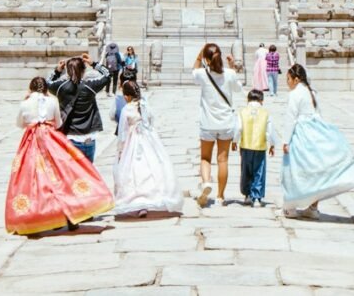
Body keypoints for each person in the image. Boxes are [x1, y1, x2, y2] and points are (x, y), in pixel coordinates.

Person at [4, 76, 114, 235]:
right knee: (62, 177)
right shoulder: (52, 102)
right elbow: (59, 123)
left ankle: (36, 219)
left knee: (33, 180)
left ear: (31, 88)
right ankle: (71, 217)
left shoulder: (24, 104)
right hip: (52, 142)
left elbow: (20, 124)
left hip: (31, 143)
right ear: (45, 89)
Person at [281, 64, 354, 220]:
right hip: (316, 133)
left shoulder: (295, 94)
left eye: (288, 79)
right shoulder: (312, 93)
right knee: (316, 170)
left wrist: (285, 141)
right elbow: (318, 114)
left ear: (296, 80)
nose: (287, 82)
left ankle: (290, 207)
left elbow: (290, 118)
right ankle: (313, 207)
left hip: (301, 134)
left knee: (295, 169)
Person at [113, 80, 184, 217]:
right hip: (149, 139)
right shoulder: (145, 105)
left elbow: (122, 132)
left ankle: (138, 201)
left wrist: (120, 150)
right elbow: (151, 121)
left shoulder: (126, 109)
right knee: (153, 167)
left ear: (126, 96)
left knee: (134, 170)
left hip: (133, 142)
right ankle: (155, 197)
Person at [192, 43, 242, 207]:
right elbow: (238, 88)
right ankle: (220, 196)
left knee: (205, 158)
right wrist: (233, 67)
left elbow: (193, 71)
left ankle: (206, 182)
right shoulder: (230, 74)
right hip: (226, 123)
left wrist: (200, 57)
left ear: (207, 59)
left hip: (208, 123)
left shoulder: (202, 74)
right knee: (223, 160)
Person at [47, 53, 110, 163]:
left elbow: (48, 83)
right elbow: (107, 75)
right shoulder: (90, 86)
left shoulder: (60, 87)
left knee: (73, 176)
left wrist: (57, 71)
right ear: (83, 70)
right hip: (88, 138)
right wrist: (94, 64)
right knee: (87, 175)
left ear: (67, 70)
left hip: (70, 137)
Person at [233, 89, 278, 207]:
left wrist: (234, 141)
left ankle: (247, 195)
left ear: (247, 99)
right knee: (259, 171)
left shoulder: (242, 112)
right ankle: (257, 197)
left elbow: (238, 128)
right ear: (261, 100)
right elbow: (270, 131)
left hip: (246, 146)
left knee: (246, 171)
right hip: (260, 146)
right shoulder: (265, 113)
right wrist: (272, 144)